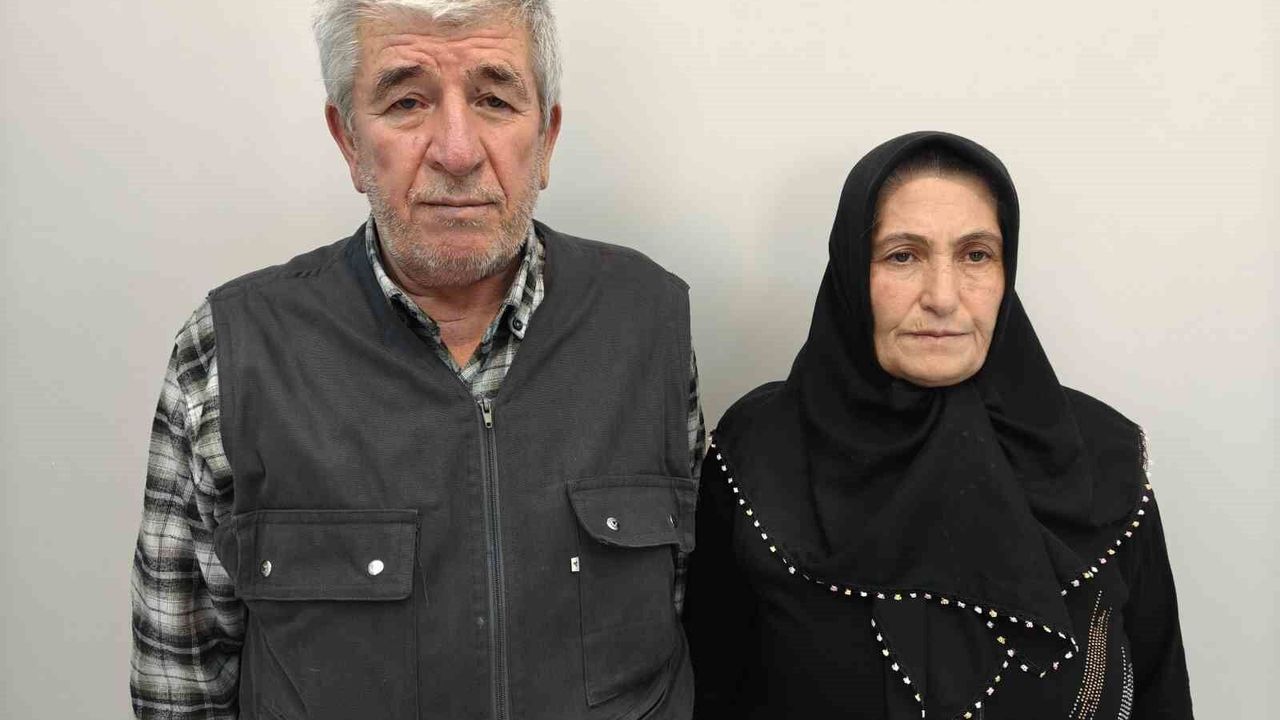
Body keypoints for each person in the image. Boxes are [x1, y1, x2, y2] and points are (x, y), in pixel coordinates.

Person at [130, 2, 703, 718]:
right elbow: (178, 687)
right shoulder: (227, 353)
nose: (457, 151)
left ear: (547, 138)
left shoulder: (650, 324)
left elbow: (684, 612)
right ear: (349, 141)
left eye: (495, 99)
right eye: (406, 102)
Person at [683, 131, 1193, 719]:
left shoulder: (1102, 455)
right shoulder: (758, 455)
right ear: (851, 270)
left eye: (976, 255)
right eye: (903, 255)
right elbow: (710, 694)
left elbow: (1161, 694)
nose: (943, 297)